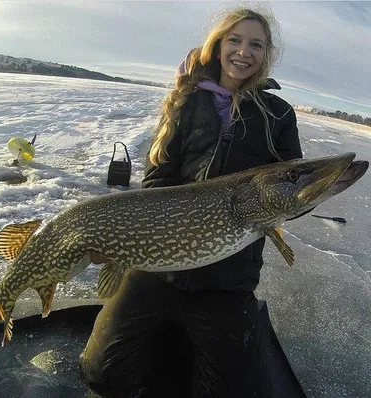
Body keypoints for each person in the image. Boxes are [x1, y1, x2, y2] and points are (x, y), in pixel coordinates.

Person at [80, 6, 303, 398]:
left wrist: (302, 198)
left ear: (265, 53)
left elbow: (290, 185)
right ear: (218, 45)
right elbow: (157, 179)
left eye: (255, 44)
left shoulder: (278, 115)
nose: (243, 52)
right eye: (235, 40)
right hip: (155, 269)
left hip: (227, 281)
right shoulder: (186, 101)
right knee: (103, 375)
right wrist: (125, 240)